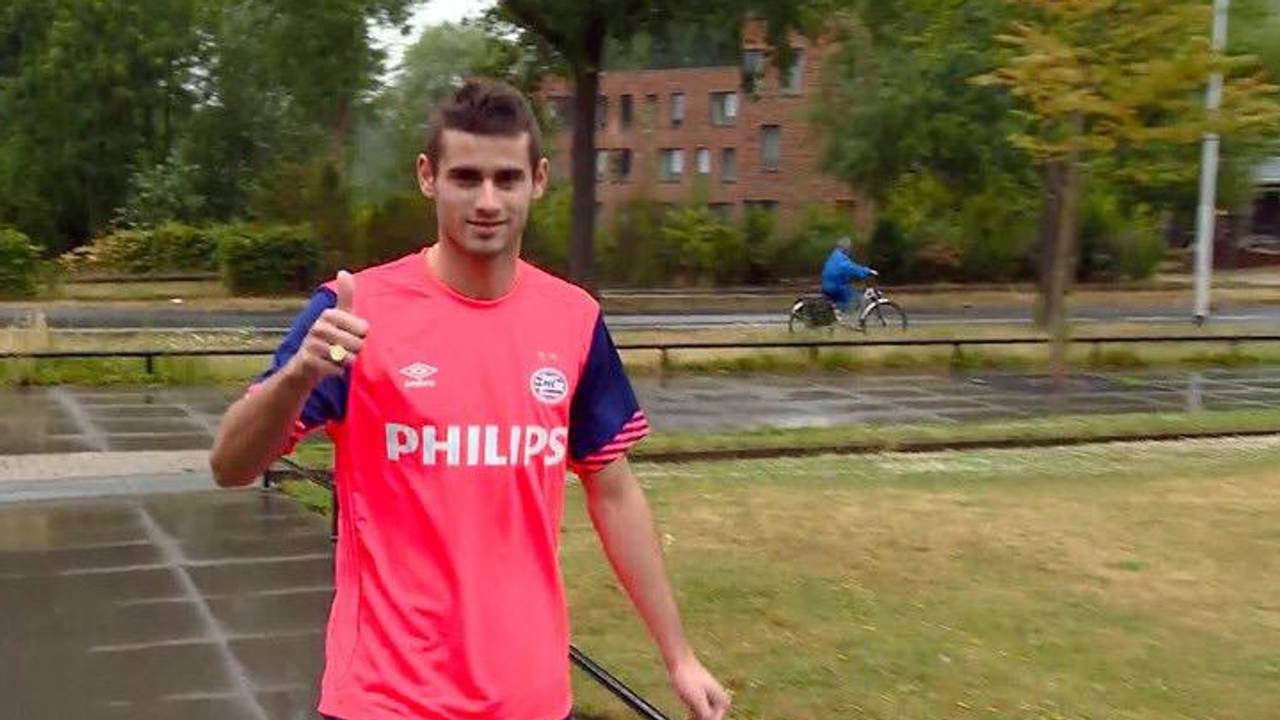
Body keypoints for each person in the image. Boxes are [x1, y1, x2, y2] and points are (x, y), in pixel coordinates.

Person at [209, 80, 730, 720]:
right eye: (466, 177)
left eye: (506, 179)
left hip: (531, 700)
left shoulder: (573, 319)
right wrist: (296, 379)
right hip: (384, 700)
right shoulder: (353, 312)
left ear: (538, 180)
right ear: (429, 177)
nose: (487, 201)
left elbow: (613, 491)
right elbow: (229, 466)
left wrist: (678, 656)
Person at [820, 236, 876, 315]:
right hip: (836, 287)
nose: (850, 250)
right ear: (845, 248)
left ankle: (837, 314)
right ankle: (842, 315)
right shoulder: (842, 259)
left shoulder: (834, 256)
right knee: (854, 298)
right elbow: (853, 269)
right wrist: (867, 271)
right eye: (849, 248)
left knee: (848, 292)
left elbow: (846, 269)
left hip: (826, 285)